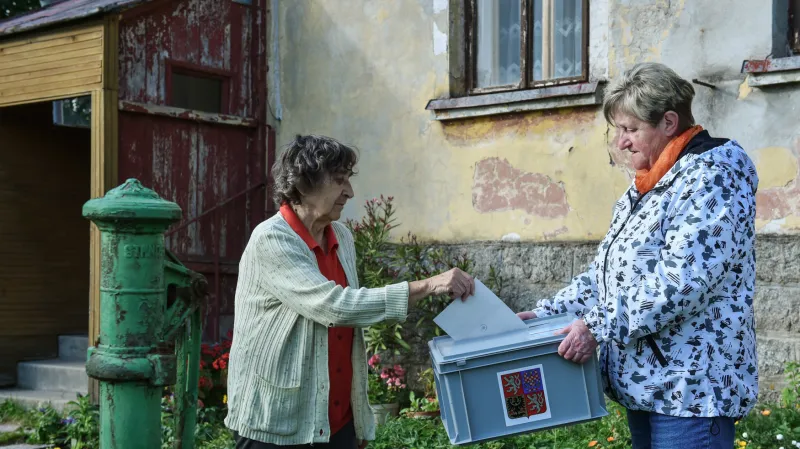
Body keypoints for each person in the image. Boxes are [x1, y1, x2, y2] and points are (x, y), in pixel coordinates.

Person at [517, 62, 758, 449]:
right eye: (618, 131)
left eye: (630, 130)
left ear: (668, 122)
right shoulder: (649, 184)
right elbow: (608, 276)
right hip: (648, 386)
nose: (621, 143)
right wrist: (547, 315)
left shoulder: (713, 177)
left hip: (690, 392)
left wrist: (594, 327)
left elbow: (680, 282)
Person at [224, 134, 476, 449]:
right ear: (304, 183)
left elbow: (350, 328)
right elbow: (336, 307)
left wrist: (359, 418)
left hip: (336, 421)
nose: (350, 192)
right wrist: (429, 284)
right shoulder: (272, 239)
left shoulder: (341, 236)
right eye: (339, 180)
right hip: (277, 421)